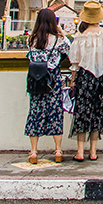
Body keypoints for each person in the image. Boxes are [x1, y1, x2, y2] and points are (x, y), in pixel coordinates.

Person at [68, 0, 103, 161]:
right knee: (98, 113)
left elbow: (74, 62)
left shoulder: (79, 36)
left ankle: (80, 151)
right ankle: (93, 151)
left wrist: (73, 81)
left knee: (82, 113)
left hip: (84, 78)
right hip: (102, 79)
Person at [25, 8, 70, 164]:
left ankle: (33, 152)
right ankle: (57, 150)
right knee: (55, 113)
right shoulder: (57, 40)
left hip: (35, 80)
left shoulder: (31, 39)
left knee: (35, 113)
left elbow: (30, 56)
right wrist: (61, 31)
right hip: (52, 80)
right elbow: (68, 49)